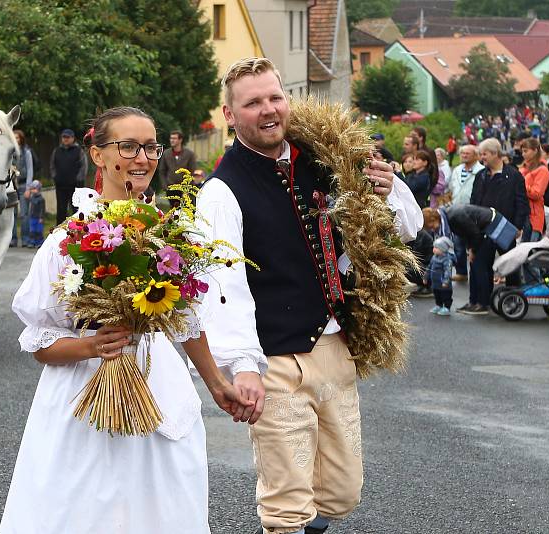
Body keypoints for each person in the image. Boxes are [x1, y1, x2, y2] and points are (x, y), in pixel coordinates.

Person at [0, 107, 253, 534]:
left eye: (150, 147)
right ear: (98, 156)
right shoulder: (69, 239)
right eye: (128, 146)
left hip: (158, 387)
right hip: (83, 396)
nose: (143, 158)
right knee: (85, 507)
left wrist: (217, 384)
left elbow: (188, 322)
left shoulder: (173, 235)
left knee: (159, 506)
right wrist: (92, 346)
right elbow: (40, 339)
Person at [195, 57, 422, 534]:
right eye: (252, 102)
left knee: (340, 493)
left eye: (275, 97)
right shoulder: (221, 190)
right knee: (286, 504)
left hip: (335, 347)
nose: (268, 110)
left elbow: (408, 228)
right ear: (229, 115)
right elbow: (224, 285)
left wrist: (385, 193)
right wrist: (242, 367)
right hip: (274, 359)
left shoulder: (327, 159)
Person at [458, 138, 528, 315]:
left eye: (484, 154)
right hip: (483, 227)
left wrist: (518, 226)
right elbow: (474, 201)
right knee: (479, 263)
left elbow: (521, 202)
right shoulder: (481, 175)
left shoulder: (513, 175)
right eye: (481, 154)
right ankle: (479, 301)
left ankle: (513, 300)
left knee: (511, 265)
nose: (482, 158)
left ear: (496, 154)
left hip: (506, 226)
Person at [448, 145, 484, 282]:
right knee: (458, 243)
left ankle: (476, 271)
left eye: (467, 153)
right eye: (462, 153)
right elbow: (452, 187)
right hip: (457, 210)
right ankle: (461, 272)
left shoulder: (480, 170)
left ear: (476, 155)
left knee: (475, 243)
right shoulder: (457, 170)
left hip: (473, 211)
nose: (464, 155)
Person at [49, 128, 87, 224]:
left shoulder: (79, 151)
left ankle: (79, 230)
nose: (65, 139)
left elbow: (84, 166)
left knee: (77, 210)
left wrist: (78, 179)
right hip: (61, 186)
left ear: (73, 138)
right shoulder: (56, 151)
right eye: (64, 137)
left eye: (68, 137)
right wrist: (55, 177)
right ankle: (59, 233)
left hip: (76, 187)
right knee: (61, 211)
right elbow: (52, 165)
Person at [519, 138, 549, 242]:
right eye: (522, 151)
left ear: (535, 150)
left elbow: (537, 193)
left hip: (534, 217)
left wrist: (521, 186)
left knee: (530, 251)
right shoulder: (522, 168)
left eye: (526, 151)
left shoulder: (542, 170)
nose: (523, 154)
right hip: (521, 215)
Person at [11, 129, 34, 247]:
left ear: (21, 139)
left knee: (24, 214)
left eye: (18, 137)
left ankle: (25, 239)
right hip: (12, 185)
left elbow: (30, 170)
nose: (16, 140)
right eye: (14, 137)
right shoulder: (9, 152)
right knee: (12, 213)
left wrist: (28, 188)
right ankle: (13, 239)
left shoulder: (27, 152)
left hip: (24, 185)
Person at [428, 236, 455, 316]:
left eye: (437, 247)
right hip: (435, 282)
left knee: (445, 295)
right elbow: (429, 267)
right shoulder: (434, 257)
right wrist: (426, 276)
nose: (434, 249)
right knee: (437, 295)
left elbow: (448, 271)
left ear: (443, 249)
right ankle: (438, 305)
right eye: (434, 247)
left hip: (444, 283)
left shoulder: (447, 259)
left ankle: (447, 307)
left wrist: (446, 281)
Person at [25, 180, 46, 248]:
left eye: (34, 189)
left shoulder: (41, 199)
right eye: (32, 189)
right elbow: (27, 199)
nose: (32, 190)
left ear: (38, 189)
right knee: (32, 230)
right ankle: (32, 242)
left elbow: (42, 209)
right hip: (32, 217)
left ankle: (39, 242)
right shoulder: (32, 197)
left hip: (39, 218)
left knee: (39, 231)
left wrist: (41, 217)